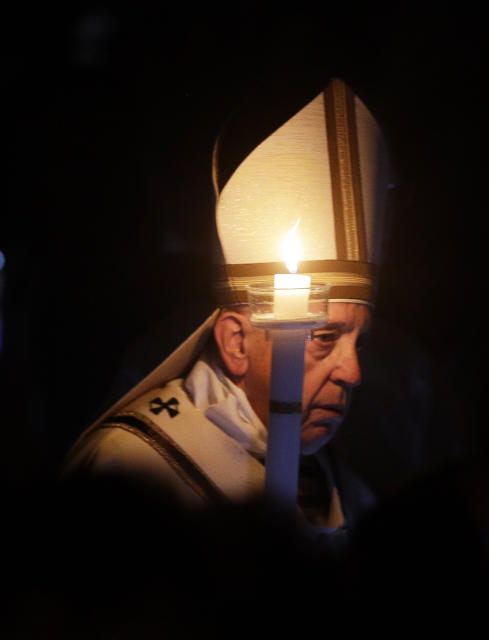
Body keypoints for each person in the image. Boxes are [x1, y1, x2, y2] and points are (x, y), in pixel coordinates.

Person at [63, 77, 393, 535]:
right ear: (236, 341)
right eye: (324, 336)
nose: (353, 373)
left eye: (361, 341)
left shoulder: (341, 484)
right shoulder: (131, 467)